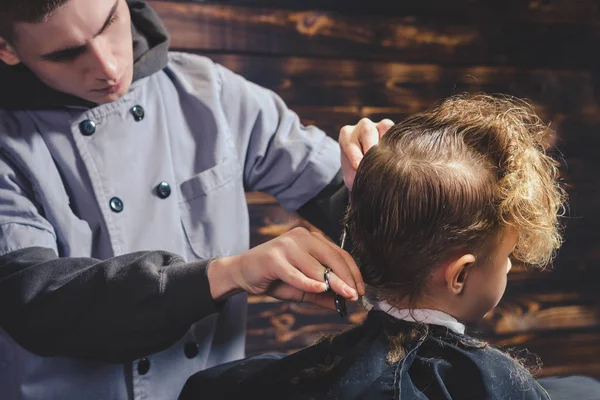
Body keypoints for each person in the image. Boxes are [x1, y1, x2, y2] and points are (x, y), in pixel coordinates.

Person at [0, 1, 394, 399]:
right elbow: (38, 305)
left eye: (109, 23)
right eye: (66, 54)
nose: (108, 67)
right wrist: (230, 274)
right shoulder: (7, 147)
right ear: (6, 48)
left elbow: (334, 191)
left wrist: (369, 186)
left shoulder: (211, 93)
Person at [180, 94, 598, 399]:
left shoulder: (259, 383)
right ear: (462, 275)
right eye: (507, 257)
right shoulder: (503, 387)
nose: (509, 268)